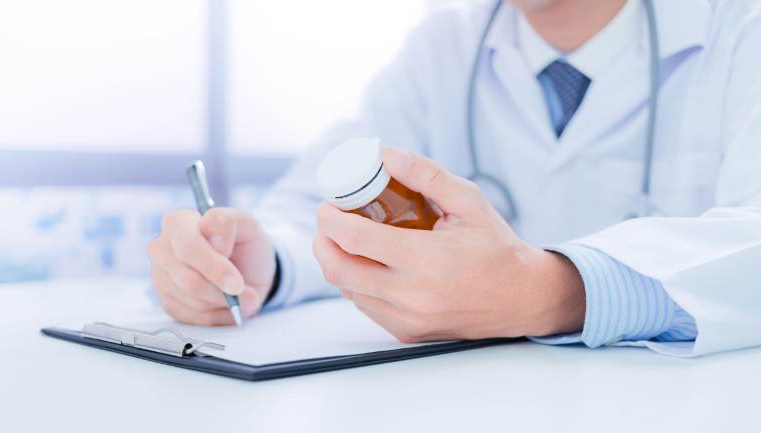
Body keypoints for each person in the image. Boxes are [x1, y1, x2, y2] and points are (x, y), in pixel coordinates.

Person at [148, 0, 761, 357]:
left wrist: (550, 291)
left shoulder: (739, 28)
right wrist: (266, 261)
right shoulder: (446, 44)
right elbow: (320, 195)